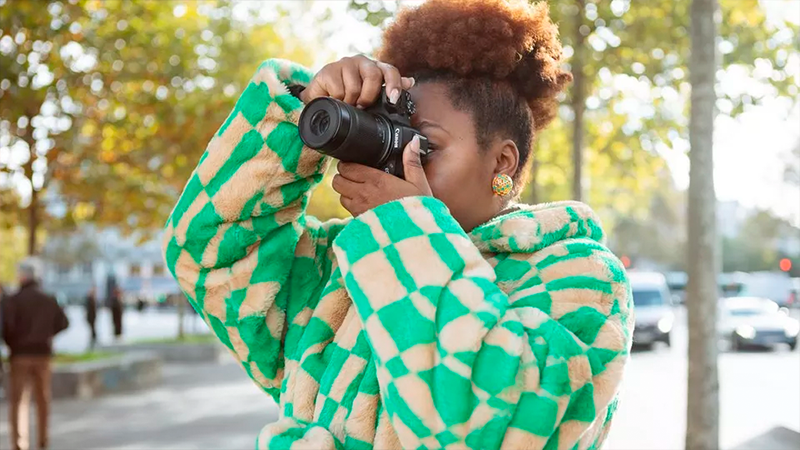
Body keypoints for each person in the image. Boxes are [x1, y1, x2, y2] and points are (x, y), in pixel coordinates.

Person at [162, 1, 633, 449]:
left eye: (424, 146)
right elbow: (209, 253)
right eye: (389, 140)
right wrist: (304, 108)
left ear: (502, 163)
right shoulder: (348, 267)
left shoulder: (581, 275)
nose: (396, 162)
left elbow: (494, 429)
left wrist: (405, 228)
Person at [2, 260, 69, 450]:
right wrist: (46, 335)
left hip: (19, 355)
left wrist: (13, 343)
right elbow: (63, 323)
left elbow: (5, 327)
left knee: (18, 401)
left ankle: (19, 443)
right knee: (43, 399)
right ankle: (43, 440)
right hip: (43, 354)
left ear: (22, 276)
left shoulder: (11, 300)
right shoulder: (49, 299)